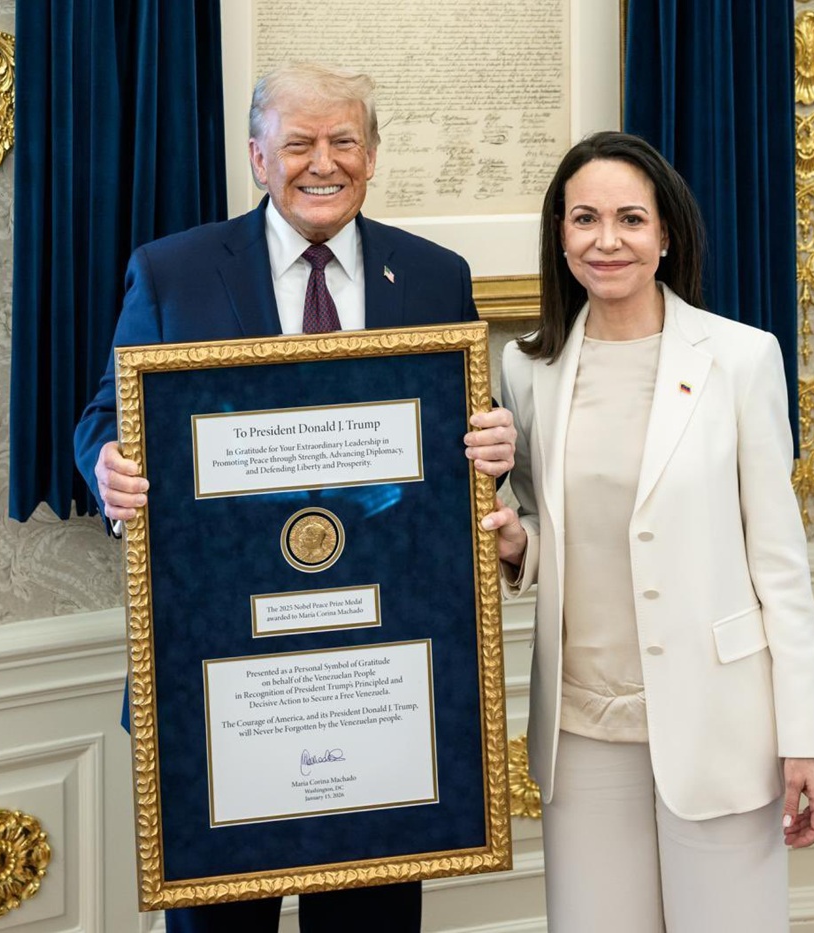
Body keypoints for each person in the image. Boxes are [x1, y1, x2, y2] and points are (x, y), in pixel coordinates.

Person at [73, 63, 515, 933]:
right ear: (257, 157)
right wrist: (108, 465)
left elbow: (455, 441)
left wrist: (493, 450)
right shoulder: (173, 271)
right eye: (300, 143)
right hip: (221, 667)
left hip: (382, 666)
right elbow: (105, 418)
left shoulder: (434, 275)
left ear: (372, 155)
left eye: (344, 141)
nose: (324, 162)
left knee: (370, 918)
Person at [480, 131, 814, 932]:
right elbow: (542, 521)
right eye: (585, 219)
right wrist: (517, 545)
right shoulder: (527, 369)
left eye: (630, 219)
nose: (606, 240)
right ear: (560, 234)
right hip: (581, 726)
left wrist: (805, 738)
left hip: (721, 722)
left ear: (666, 234)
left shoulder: (741, 359)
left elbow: (780, 566)